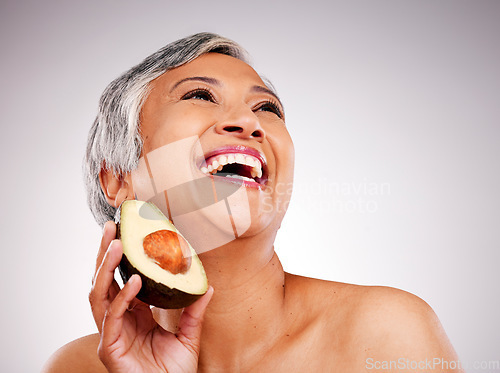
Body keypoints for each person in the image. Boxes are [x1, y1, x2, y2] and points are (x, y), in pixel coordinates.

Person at [43, 32, 462, 372]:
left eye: (267, 108)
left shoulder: (386, 335)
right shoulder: (77, 367)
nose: (249, 122)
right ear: (117, 178)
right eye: (200, 96)